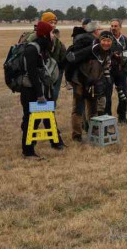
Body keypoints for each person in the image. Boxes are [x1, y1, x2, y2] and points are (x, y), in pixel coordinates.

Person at [19, 21, 61, 159]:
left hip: (39, 90)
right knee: (30, 120)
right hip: (30, 91)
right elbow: (32, 74)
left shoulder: (42, 48)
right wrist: (39, 95)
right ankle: (28, 151)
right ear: (44, 34)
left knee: (40, 118)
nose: (52, 35)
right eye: (50, 32)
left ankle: (54, 142)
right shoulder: (32, 49)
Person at [70, 31, 114, 142]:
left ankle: (94, 133)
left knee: (93, 110)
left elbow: (104, 69)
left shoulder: (109, 53)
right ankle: (77, 136)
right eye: (104, 40)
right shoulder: (90, 50)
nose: (106, 43)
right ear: (100, 40)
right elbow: (73, 61)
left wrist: (103, 83)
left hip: (93, 83)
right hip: (80, 82)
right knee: (78, 109)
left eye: (108, 41)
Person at [106, 20, 127, 124]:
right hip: (109, 72)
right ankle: (108, 118)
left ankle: (122, 117)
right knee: (107, 95)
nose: (113, 28)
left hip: (121, 73)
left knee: (123, 95)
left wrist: (125, 71)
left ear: (120, 27)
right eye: (112, 26)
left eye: (115, 26)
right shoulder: (106, 39)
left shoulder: (125, 40)